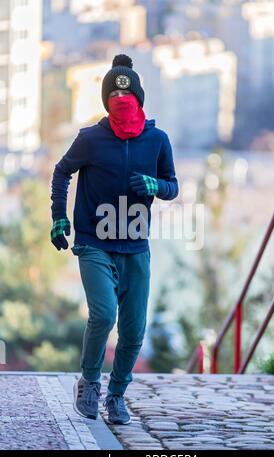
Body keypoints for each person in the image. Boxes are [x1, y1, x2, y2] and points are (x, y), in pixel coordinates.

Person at [50, 54, 179, 425]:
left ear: (139, 101)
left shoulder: (157, 140)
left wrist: (156, 185)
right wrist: (59, 216)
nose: (122, 106)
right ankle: (89, 382)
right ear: (106, 104)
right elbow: (62, 172)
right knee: (103, 314)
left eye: (128, 101)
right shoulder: (90, 138)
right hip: (94, 242)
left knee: (134, 330)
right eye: (114, 102)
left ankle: (116, 394)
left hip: (136, 246)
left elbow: (172, 186)